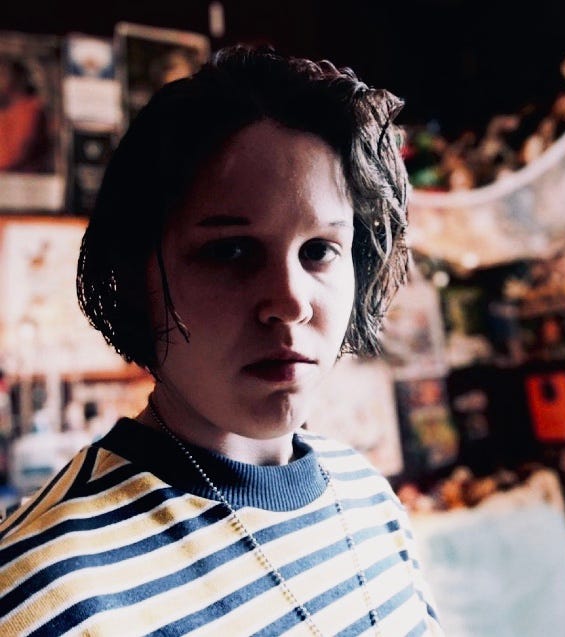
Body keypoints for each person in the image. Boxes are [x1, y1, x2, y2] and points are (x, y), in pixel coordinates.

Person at [0, 45, 443, 636]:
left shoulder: (368, 496)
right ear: (135, 276)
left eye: (319, 250)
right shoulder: (46, 593)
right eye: (230, 251)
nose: (291, 301)